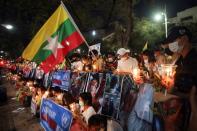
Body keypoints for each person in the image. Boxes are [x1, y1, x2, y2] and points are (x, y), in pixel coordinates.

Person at [162, 26, 197, 130]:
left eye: (172, 41)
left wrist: (174, 93)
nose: (169, 45)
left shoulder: (194, 61)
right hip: (179, 114)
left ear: (184, 39)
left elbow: (193, 96)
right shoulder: (179, 61)